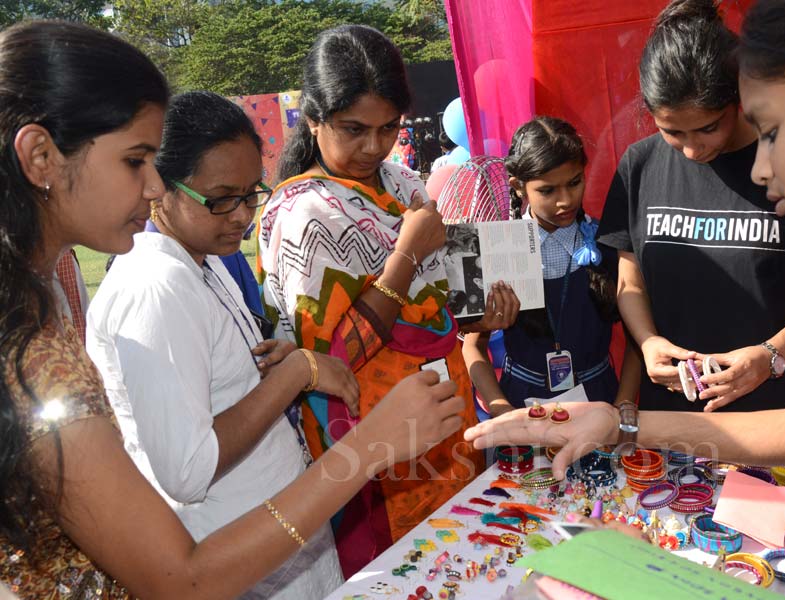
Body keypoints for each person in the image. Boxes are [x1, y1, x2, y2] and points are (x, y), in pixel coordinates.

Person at [466, 0, 785, 596]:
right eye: (675, 132)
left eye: (768, 131)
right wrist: (625, 422)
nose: (761, 168)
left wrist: (767, 358)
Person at [0, 20, 465, 599]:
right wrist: (366, 447)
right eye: (135, 161)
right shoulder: (52, 338)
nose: (152, 188)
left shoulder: (96, 289)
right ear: (41, 156)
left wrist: (284, 367)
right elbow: (183, 574)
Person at [256, 24, 517, 574]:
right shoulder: (305, 216)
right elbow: (328, 361)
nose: (373, 147)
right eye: (354, 129)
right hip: (376, 448)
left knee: (465, 566)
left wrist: (479, 318)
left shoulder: (402, 184)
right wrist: (406, 255)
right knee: (402, 574)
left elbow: (440, 304)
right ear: (313, 119)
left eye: (387, 128)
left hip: (444, 427)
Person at [84, 91, 349, 598]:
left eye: (252, 193)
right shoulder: (156, 285)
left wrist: (275, 363)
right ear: (162, 187)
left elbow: (217, 387)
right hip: (239, 554)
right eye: (222, 197)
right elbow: (188, 470)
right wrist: (298, 374)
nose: (242, 216)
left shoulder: (201, 259)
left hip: (275, 539)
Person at [597, 0, 785, 412]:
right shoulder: (639, 165)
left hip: (772, 413)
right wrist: (648, 343)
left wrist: (770, 356)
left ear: (738, 97)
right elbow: (630, 284)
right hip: (672, 418)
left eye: (707, 127)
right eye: (671, 131)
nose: (690, 149)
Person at [463, 117, 638, 417]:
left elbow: (638, 336)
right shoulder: (494, 248)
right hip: (521, 408)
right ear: (519, 187)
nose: (566, 200)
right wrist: (501, 408)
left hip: (600, 405)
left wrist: (623, 407)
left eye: (574, 183)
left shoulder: (609, 241)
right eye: (548, 191)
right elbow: (472, 346)